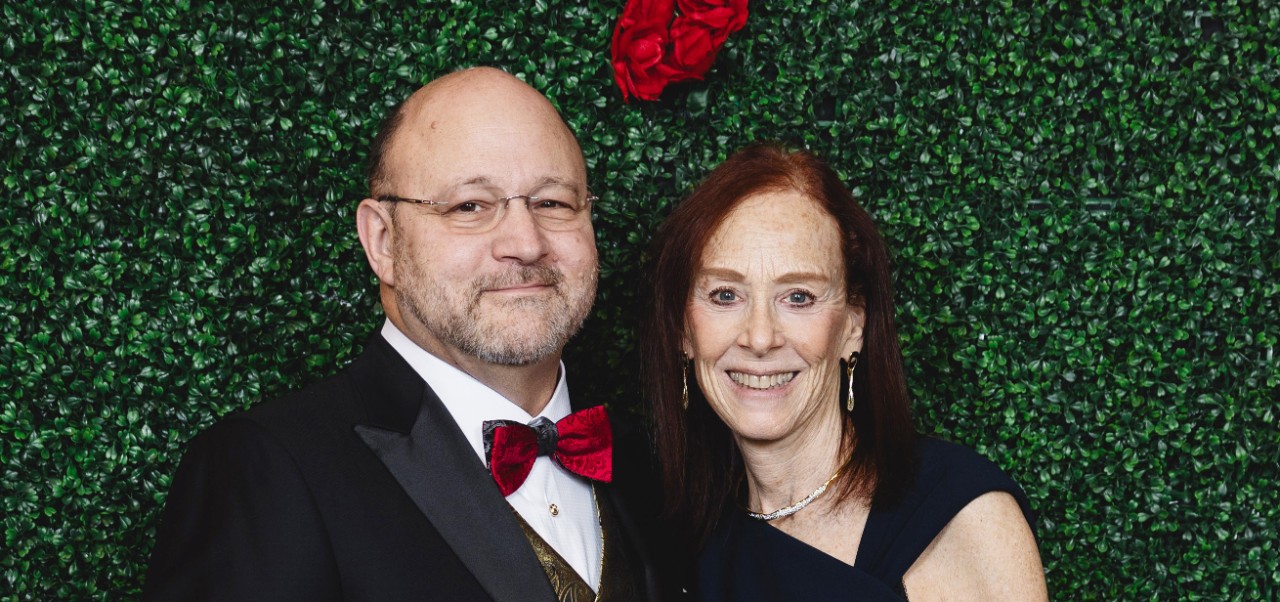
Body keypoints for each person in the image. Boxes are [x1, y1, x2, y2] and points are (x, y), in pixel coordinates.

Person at [145, 67, 660, 601]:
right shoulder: (266, 470)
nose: (526, 243)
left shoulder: (653, 462)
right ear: (384, 241)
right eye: (470, 207)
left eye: (552, 202)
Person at [643, 144, 1048, 600]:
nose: (759, 338)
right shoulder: (670, 539)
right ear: (683, 329)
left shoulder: (961, 517)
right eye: (724, 295)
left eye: (798, 297)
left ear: (854, 325)